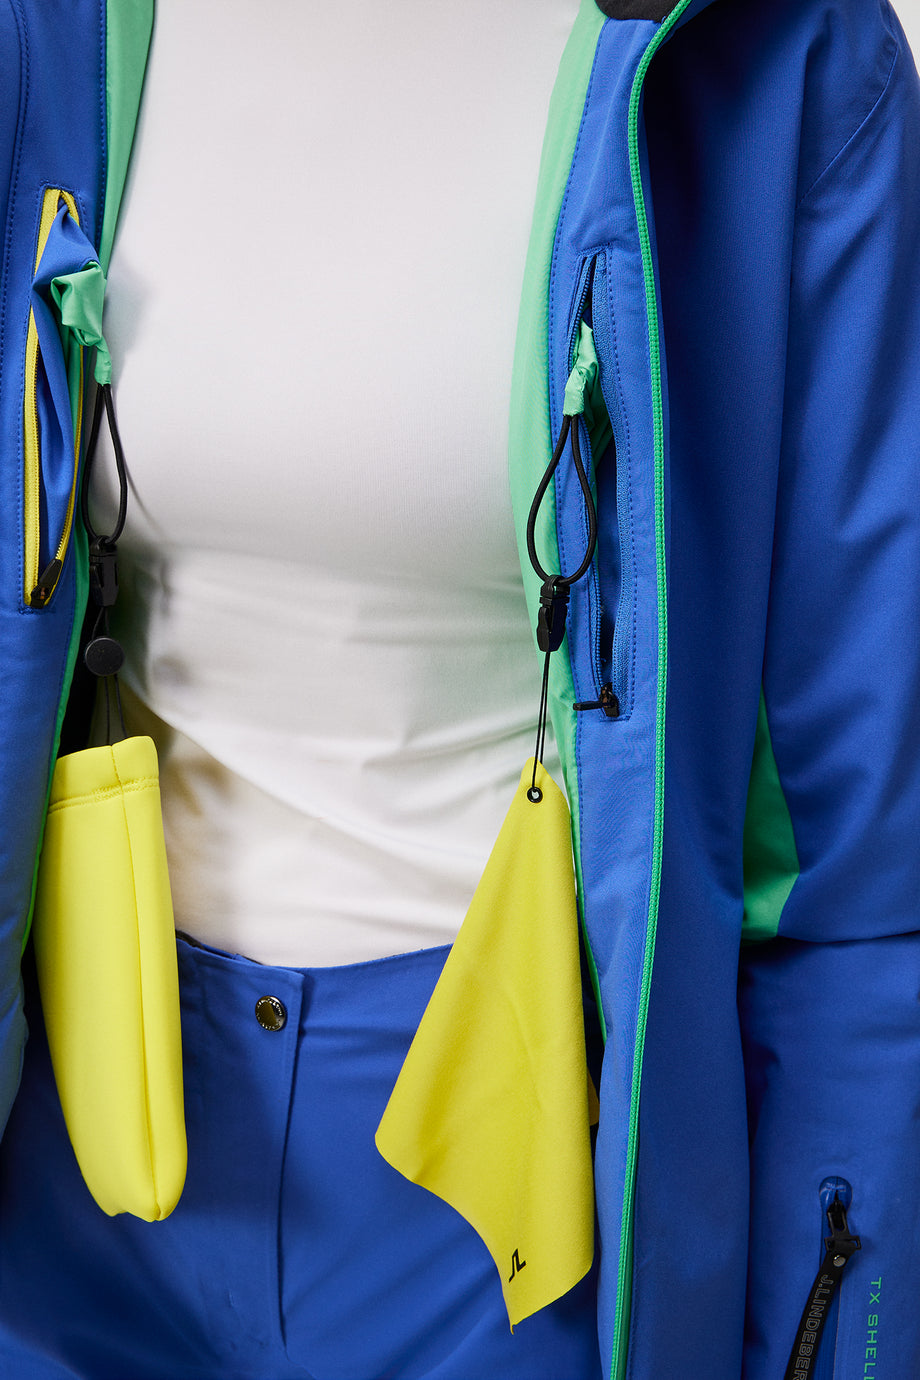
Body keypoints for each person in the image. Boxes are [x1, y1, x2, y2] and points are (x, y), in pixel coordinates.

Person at [0, 1, 919, 1377]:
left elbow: (850, 873)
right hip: (65, 1129)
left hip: (515, 1192)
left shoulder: (780, 50)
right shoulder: (45, 35)